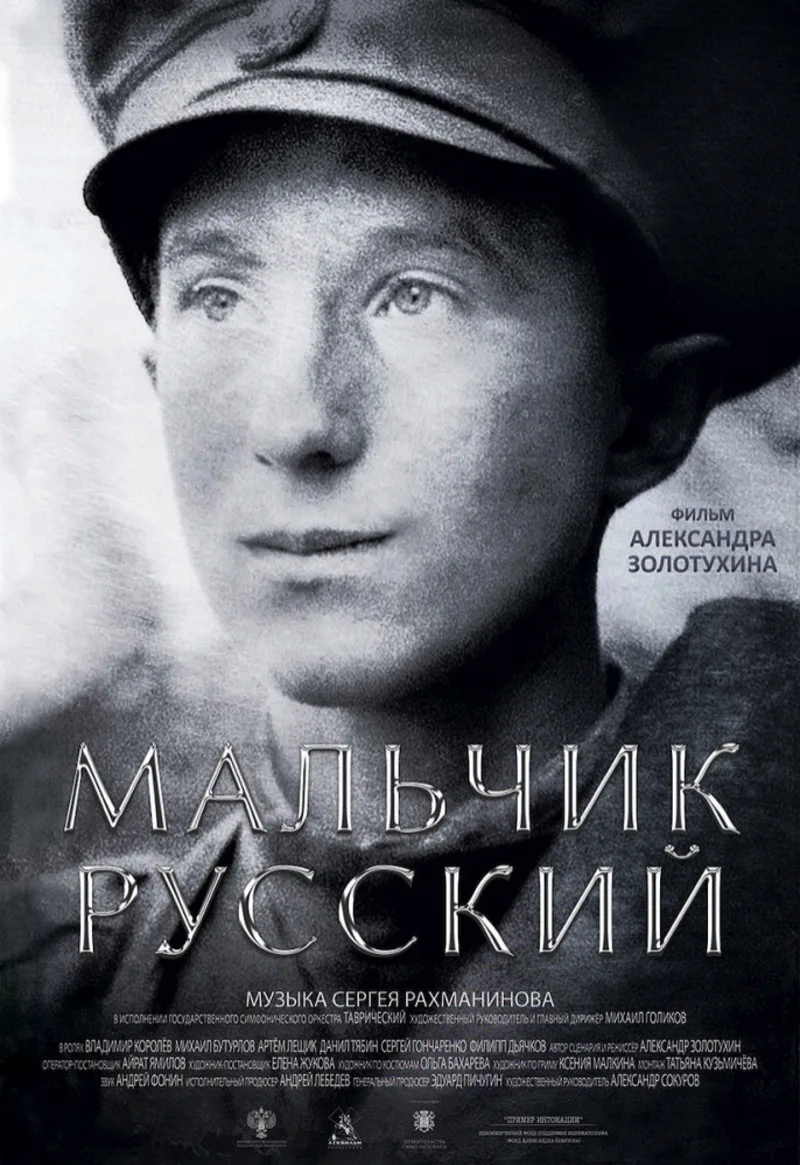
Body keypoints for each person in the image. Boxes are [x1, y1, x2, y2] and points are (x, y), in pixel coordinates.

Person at [1, 2, 798, 1162]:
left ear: (640, 414)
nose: (294, 424)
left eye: (414, 292)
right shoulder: (43, 1009)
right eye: (219, 296)